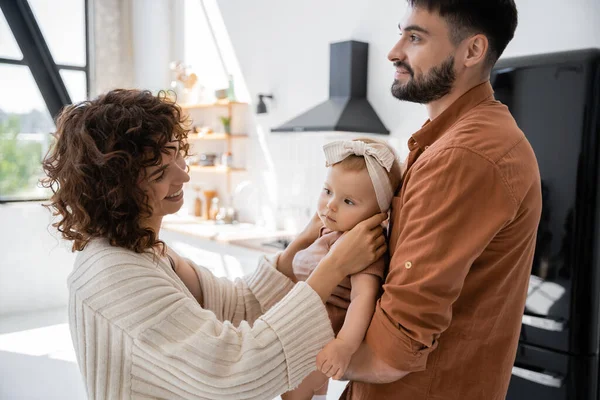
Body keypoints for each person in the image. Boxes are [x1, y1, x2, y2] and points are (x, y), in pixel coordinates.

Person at [40, 89, 388, 400]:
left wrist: (297, 248)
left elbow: (237, 305)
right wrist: (334, 267)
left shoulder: (145, 251)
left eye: (177, 154)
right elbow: (231, 372)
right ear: (117, 190)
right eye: (160, 173)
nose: (184, 175)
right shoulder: (112, 274)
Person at [293, 1, 542, 399]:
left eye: (415, 37)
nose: (394, 51)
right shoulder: (449, 141)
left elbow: (391, 352)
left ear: (473, 51)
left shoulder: (463, 155)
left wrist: (284, 358)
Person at [281, 138, 403, 400]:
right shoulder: (327, 232)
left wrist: (345, 345)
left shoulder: (362, 248)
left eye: (349, 201)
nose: (331, 205)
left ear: (379, 214)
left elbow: (363, 298)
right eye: (327, 191)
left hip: (315, 342)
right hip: (296, 332)